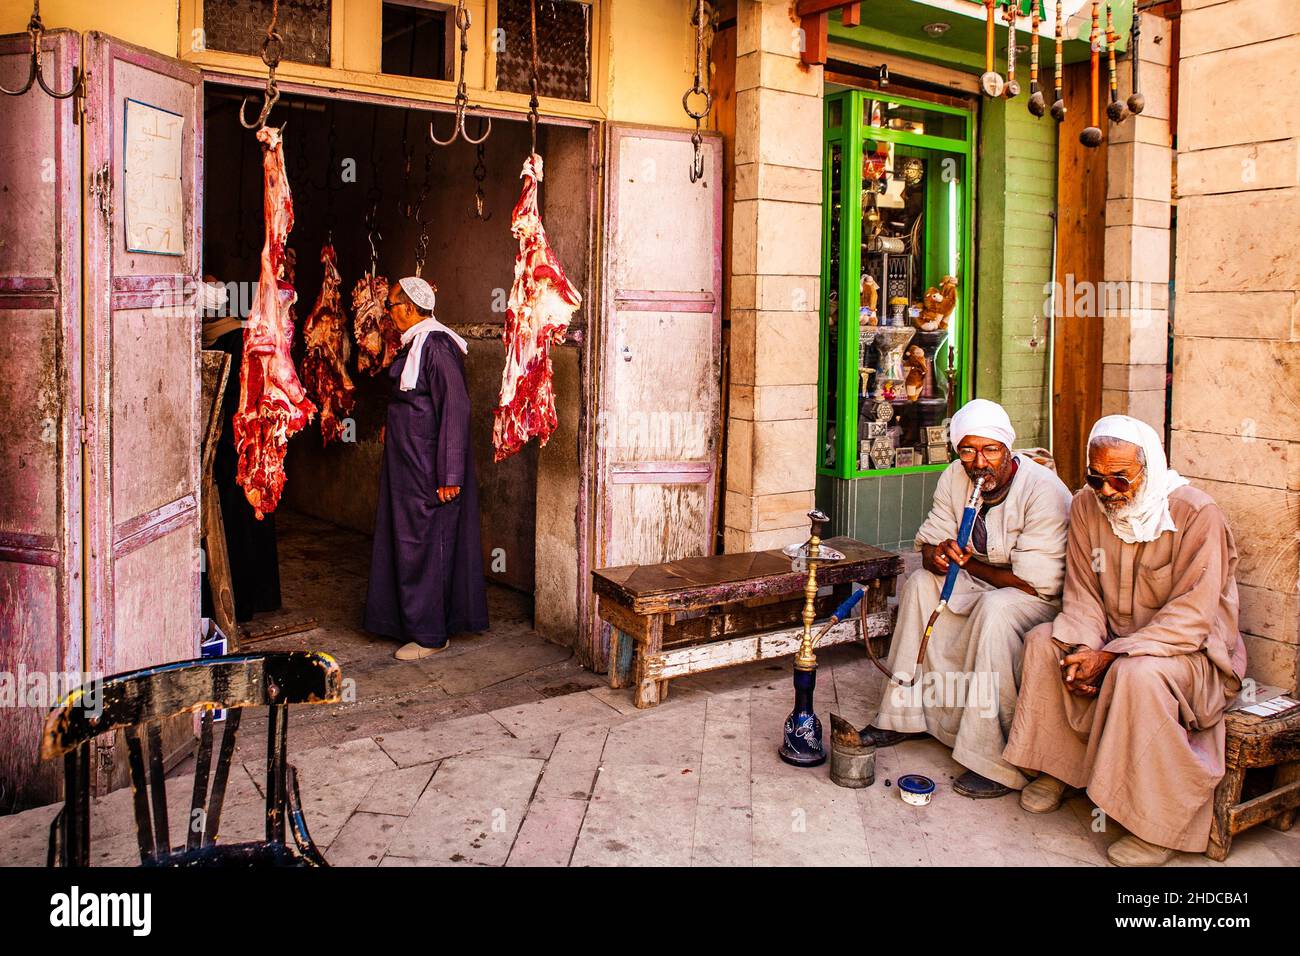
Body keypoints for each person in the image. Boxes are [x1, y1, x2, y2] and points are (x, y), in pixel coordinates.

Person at [1004, 415, 1247, 866]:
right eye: (1098, 478)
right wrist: (1082, 648)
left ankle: (1155, 827)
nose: (1109, 491)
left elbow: (1191, 619)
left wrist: (1110, 655)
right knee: (1044, 642)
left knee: (1137, 674)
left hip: (1188, 653)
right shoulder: (1085, 506)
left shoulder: (1196, 514)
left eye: (1121, 478)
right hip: (1112, 641)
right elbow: (1082, 594)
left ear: (1149, 468)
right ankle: (1059, 768)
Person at [860, 399, 1072, 798]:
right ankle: (900, 716)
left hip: (1035, 598)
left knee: (997, 609)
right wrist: (937, 553)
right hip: (983, 583)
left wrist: (968, 564)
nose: (979, 462)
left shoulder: (1044, 491)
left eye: (990, 450)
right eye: (968, 450)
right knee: (922, 584)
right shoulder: (955, 477)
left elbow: (1034, 583)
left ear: (1007, 450)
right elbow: (927, 543)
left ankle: (991, 758)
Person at [364, 276, 489, 659]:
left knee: (426, 546)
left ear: (410, 309)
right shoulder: (415, 344)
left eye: (391, 306)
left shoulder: (436, 347)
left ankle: (431, 635)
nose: (388, 313)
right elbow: (412, 401)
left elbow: (456, 408)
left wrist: (451, 474)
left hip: (427, 470)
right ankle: (406, 623)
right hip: (407, 468)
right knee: (405, 542)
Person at [201, 259, 282, 623]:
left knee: (240, 518)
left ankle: (246, 600)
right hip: (235, 448)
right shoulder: (222, 338)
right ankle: (251, 597)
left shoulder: (238, 341)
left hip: (240, 448)